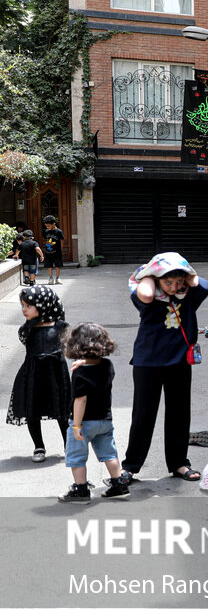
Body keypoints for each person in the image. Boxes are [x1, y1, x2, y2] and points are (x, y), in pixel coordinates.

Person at [119, 252, 208, 484]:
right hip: (147, 362)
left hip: (179, 362)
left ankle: (179, 463)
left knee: (179, 414)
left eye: (178, 282)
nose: (174, 287)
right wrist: (150, 275)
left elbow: (203, 284)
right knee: (143, 415)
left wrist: (185, 274)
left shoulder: (188, 295)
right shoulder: (146, 296)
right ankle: (130, 466)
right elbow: (146, 293)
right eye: (168, 282)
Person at [57, 323, 129, 502]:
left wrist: (76, 425)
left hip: (85, 423)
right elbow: (95, 369)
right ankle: (118, 484)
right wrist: (85, 361)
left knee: (77, 457)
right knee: (109, 454)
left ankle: (81, 489)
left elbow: (80, 400)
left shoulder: (80, 372)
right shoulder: (107, 365)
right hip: (105, 421)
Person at [6, 286, 71, 463]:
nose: (23, 309)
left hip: (56, 374)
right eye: (23, 305)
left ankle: (69, 445)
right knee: (32, 409)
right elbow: (27, 342)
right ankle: (39, 446)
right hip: (32, 373)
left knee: (62, 410)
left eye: (28, 305)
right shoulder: (27, 328)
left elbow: (67, 347)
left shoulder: (60, 326)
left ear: (43, 305)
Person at [42, 215, 64, 285]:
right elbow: (46, 240)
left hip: (57, 251)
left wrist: (61, 248)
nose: (47, 227)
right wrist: (47, 246)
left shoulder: (59, 232)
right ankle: (50, 278)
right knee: (49, 265)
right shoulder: (46, 231)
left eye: (48, 225)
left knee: (58, 265)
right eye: (46, 226)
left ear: (53, 224)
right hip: (48, 251)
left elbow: (61, 240)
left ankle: (57, 278)